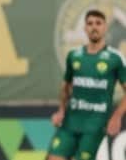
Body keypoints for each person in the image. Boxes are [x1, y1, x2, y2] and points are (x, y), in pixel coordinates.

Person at [47, 10, 126, 160]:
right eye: (90, 24)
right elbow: (66, 87)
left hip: (94, 125)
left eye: (98, 23)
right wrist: (61, 110)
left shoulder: (115, 58)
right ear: (84, 28)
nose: (94, 27)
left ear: (105, 27)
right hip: (70, 123)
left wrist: (116, 117)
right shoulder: (74, 56)